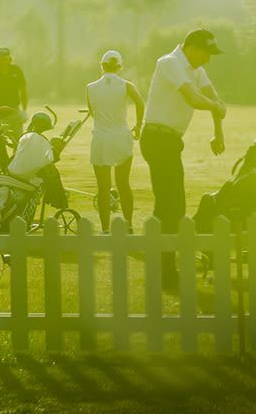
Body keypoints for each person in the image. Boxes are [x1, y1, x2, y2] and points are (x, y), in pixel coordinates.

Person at [140, 28, 227, 287]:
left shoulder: (195, 68)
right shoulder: (169, 63)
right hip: (157, 139)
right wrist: (216, 107)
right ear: (191, 48)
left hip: (170, 141)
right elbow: (194, 98)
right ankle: (165, 270)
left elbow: (213, 98)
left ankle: (161, 265)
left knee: (168, 205)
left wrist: (218, 133)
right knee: (173, 205)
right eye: (206, 53)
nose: (208, 59)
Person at [87, 49, 146, 230]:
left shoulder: (90, 87)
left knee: (103, 188)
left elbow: (91, 112)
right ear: (119, 67)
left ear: (102, 66)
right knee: (123, 184)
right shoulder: (127, 85)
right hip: (121, 137)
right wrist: (138, 125)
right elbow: (140, 102)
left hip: (101, 139)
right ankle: (128, 225)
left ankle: (105, 228)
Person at [0, 46, 29, 137]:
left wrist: (24, 110)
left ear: (9, 59)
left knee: (17, 138)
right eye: (1, 59)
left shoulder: (16, 70)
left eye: (5, 59)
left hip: (13, 109)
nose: (3, 62)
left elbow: (23, 90)